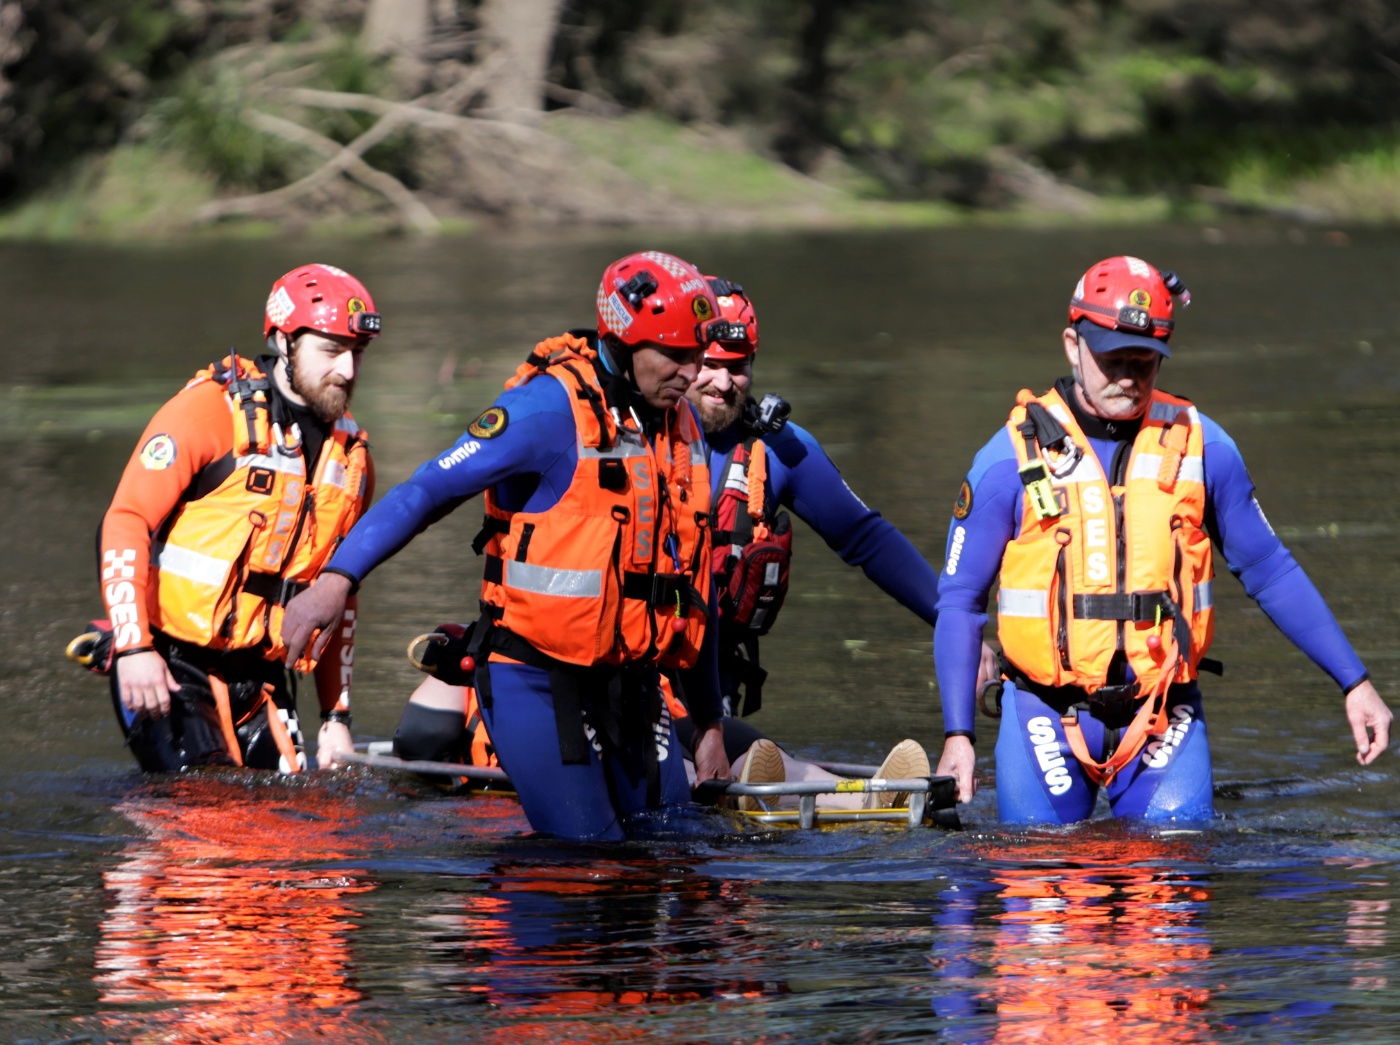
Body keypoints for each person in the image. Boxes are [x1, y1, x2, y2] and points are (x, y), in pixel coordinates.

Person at [279, 250, 731, 841]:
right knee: (589, 860)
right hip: (537, 681)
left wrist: (710, 722)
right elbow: (426, 491)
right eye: (674, 355)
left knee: (674, 845)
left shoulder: (677, 424)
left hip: (633, 682)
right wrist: (336, 580)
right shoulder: (544, 410)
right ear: (623, 341)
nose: (693, 372)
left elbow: (692, 586)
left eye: (697, 354)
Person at [932, 255, 1392, 824]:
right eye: (1113, 359)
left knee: (1172, 872)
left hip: (1163, 713)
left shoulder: (1203, 447)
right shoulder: (1007, 459)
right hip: (1043, 712)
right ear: (1073, 346)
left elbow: (1270, 570)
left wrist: (1355, 682)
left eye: (1144, 362)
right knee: (1040, 875)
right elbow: (958, 600)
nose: (1128, 376)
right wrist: (959, 736)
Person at [94, 263, 380, 773]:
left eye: (357, 353)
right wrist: (135, 647)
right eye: (331, 350)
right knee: (206, 813)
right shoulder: (207, 412)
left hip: (262, 673)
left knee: (296, 830)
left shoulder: (353, 461)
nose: (348, 371)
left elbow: (339, 592)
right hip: (167, 660)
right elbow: (125, 520)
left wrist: (336, 716)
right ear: (282, 340)